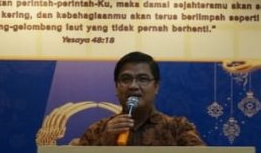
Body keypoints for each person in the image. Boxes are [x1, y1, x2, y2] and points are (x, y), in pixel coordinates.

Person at [73, 51, 204, 146]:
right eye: (126, 79)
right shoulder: (98, 130)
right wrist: (104, 141)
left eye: (143, 79)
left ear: (156, 87)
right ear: (116, 87)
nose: (133, 86)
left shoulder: (178, 128)